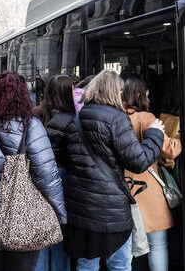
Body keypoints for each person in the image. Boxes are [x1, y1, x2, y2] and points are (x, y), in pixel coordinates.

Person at [63, 70, 164, 271]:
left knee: (86, 263)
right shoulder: (116, 119)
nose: (121, 95)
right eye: (119, 91)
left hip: (81, 207)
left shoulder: (78, 117)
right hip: (110, 210)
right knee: (120, 264)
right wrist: (155, 134)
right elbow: (138, 161)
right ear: (112, 92)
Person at [0, 72, 67, 271]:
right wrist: (60, 213)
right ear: (24, 95)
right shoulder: (30, 126)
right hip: (20, 214)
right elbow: (47, 176)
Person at [122, 78, 182, 271]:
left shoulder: (116, 117)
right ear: (139, 95)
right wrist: (181, 134)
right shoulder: (146, 118)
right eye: (146, 93)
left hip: (124, 189)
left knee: (126, 248)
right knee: (157, 244)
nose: (149, 97)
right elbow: (170, 150)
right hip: (147, 190)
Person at [34, 75, 74, 271]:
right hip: (65, 177)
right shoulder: (73, 119)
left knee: (42, 230)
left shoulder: (36, 114)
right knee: (61, 229)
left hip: (39, 177)